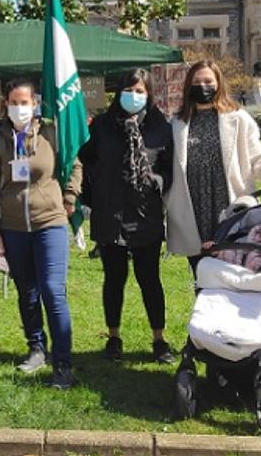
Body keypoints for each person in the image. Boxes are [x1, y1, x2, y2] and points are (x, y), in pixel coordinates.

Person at [164, 60, 261, 273]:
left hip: (231, 213)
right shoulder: (176, 124)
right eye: (196, 81)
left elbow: (260, 160)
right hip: (193, 217)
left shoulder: (239, 119)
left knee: (236, 276)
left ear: (218, 84)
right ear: (188, 86)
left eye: (208, 81)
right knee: (202, 278)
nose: (202, 85)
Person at [0, 78, 83, 390]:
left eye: (24, 102)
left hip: (49, 223)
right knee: (27, 292)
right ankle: (36, 348)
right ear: (6, 105)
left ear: (35, 104)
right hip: (13, 228)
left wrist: (69, 197)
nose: (19, 107)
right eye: (13, 102)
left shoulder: (52, 133)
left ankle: (63, 362)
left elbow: (75, 165)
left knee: (53, 291)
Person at [79, 68, 176, 365]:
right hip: (111, 214)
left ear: (148, 94)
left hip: (145, 213)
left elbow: (170, 165)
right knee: (114, 278)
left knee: (150, 279)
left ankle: (159, 339)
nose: (133, 96)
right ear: (119, 92)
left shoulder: (161, 126)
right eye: (129, 90)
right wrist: (93, 195)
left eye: (140, 91)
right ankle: (114, 336)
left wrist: (158, 182)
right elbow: (86, 159)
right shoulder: (102, 126)